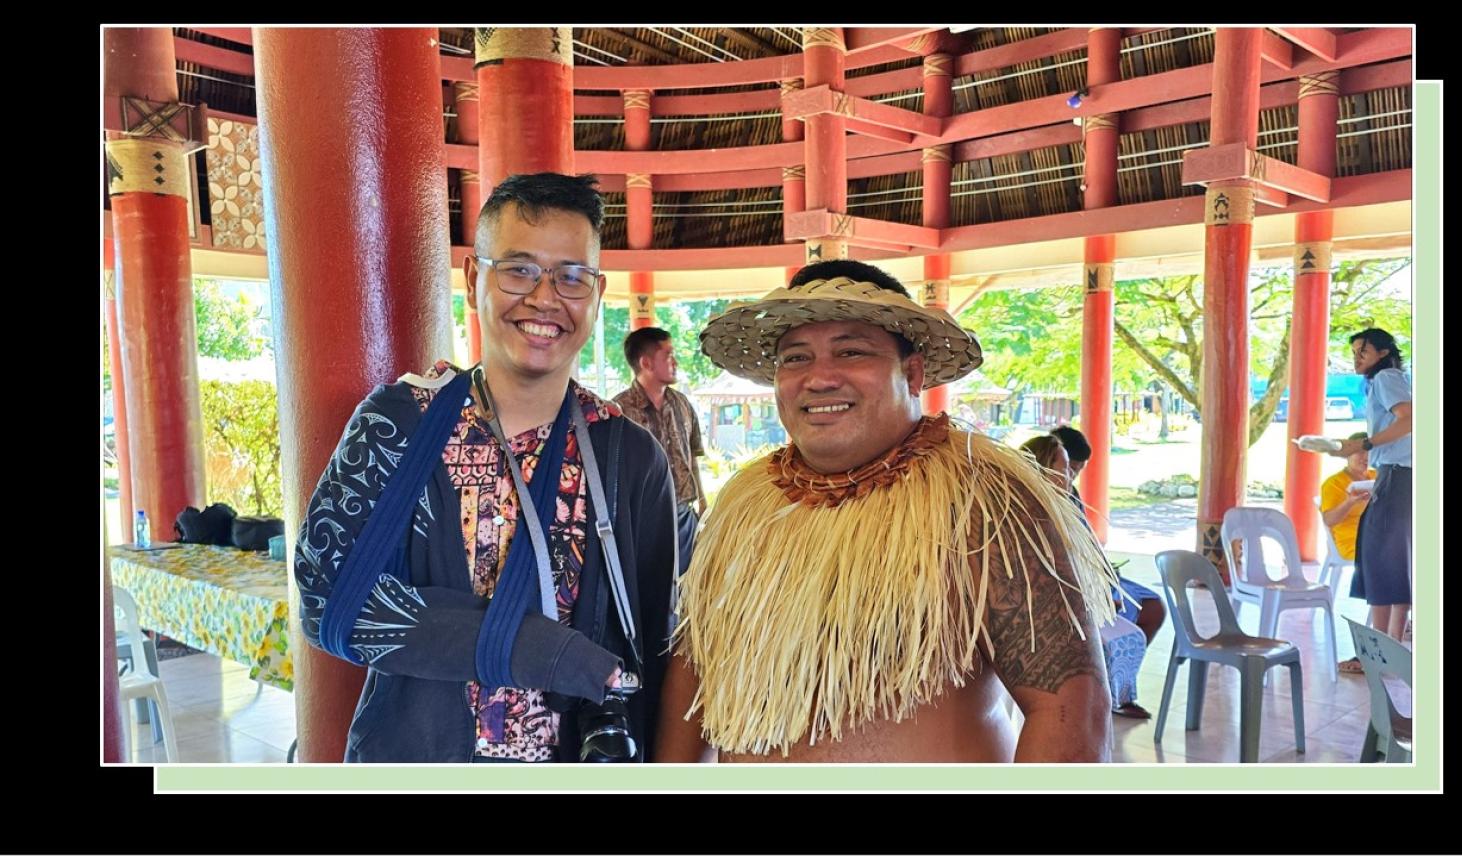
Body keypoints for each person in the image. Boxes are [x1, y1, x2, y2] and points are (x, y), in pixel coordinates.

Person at [654, 260, 1119, 763]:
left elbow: (1072, 705)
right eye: (795, 358)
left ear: (912, 372)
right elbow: (696, 667)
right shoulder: (745, 502)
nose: (819, 378)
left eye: (851, 351)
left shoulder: (981, 495)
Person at [292, 173, 677, 762]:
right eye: (518, 269)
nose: (545, 299)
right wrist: (535, 650)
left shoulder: (627, 456)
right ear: (475, 280)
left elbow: (653, 643)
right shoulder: (400, 424)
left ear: (597, 296)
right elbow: (328, 600)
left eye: (572, 277)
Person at [1031, 429, 1162, 720]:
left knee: (1152, 607)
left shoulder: (1070, 496)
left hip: (1092, 576)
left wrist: (1102, 573)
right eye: (1066, 468)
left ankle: (1116, 687)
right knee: (1121, 622)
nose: (1071, 477)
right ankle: (1104, 693)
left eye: (1073, 470)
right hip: (1070, 587)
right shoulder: (1031, 506)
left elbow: (1087, 544)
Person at [1331, 328, 1412, 644]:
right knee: (1397, 560)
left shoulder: (1385, 379)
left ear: (1382, 352)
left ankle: (1379, 648)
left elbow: (1409, 419)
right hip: (1401, 475)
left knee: (1379, 558)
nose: (1356, 357)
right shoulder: (1389, 380)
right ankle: (1390, 644)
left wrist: (1364, 444)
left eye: (1362, 350)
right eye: (1353, 352)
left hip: (1398, 475)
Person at [614, 327, 707, 577]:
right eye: (668, 355)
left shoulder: (683, 405)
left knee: (687, 587)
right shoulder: (618, 411)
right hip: (640, 520)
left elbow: (693, 456)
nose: (675, 362)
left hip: (684, 515)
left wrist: (702, 503)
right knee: (649, 592)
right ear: (646, 362)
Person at [1320, 431, 1376, 673]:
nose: (1365, 457)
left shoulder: (1377, 477)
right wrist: (1351, 501)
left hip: (1377, 535)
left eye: (1369, 451)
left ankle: (1398, 623)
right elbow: (1329, 519)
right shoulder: (1334, 483)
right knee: (1390, 563)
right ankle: (1381, 638)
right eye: (1360, 452)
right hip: (1352, 542)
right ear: (1347, 455)